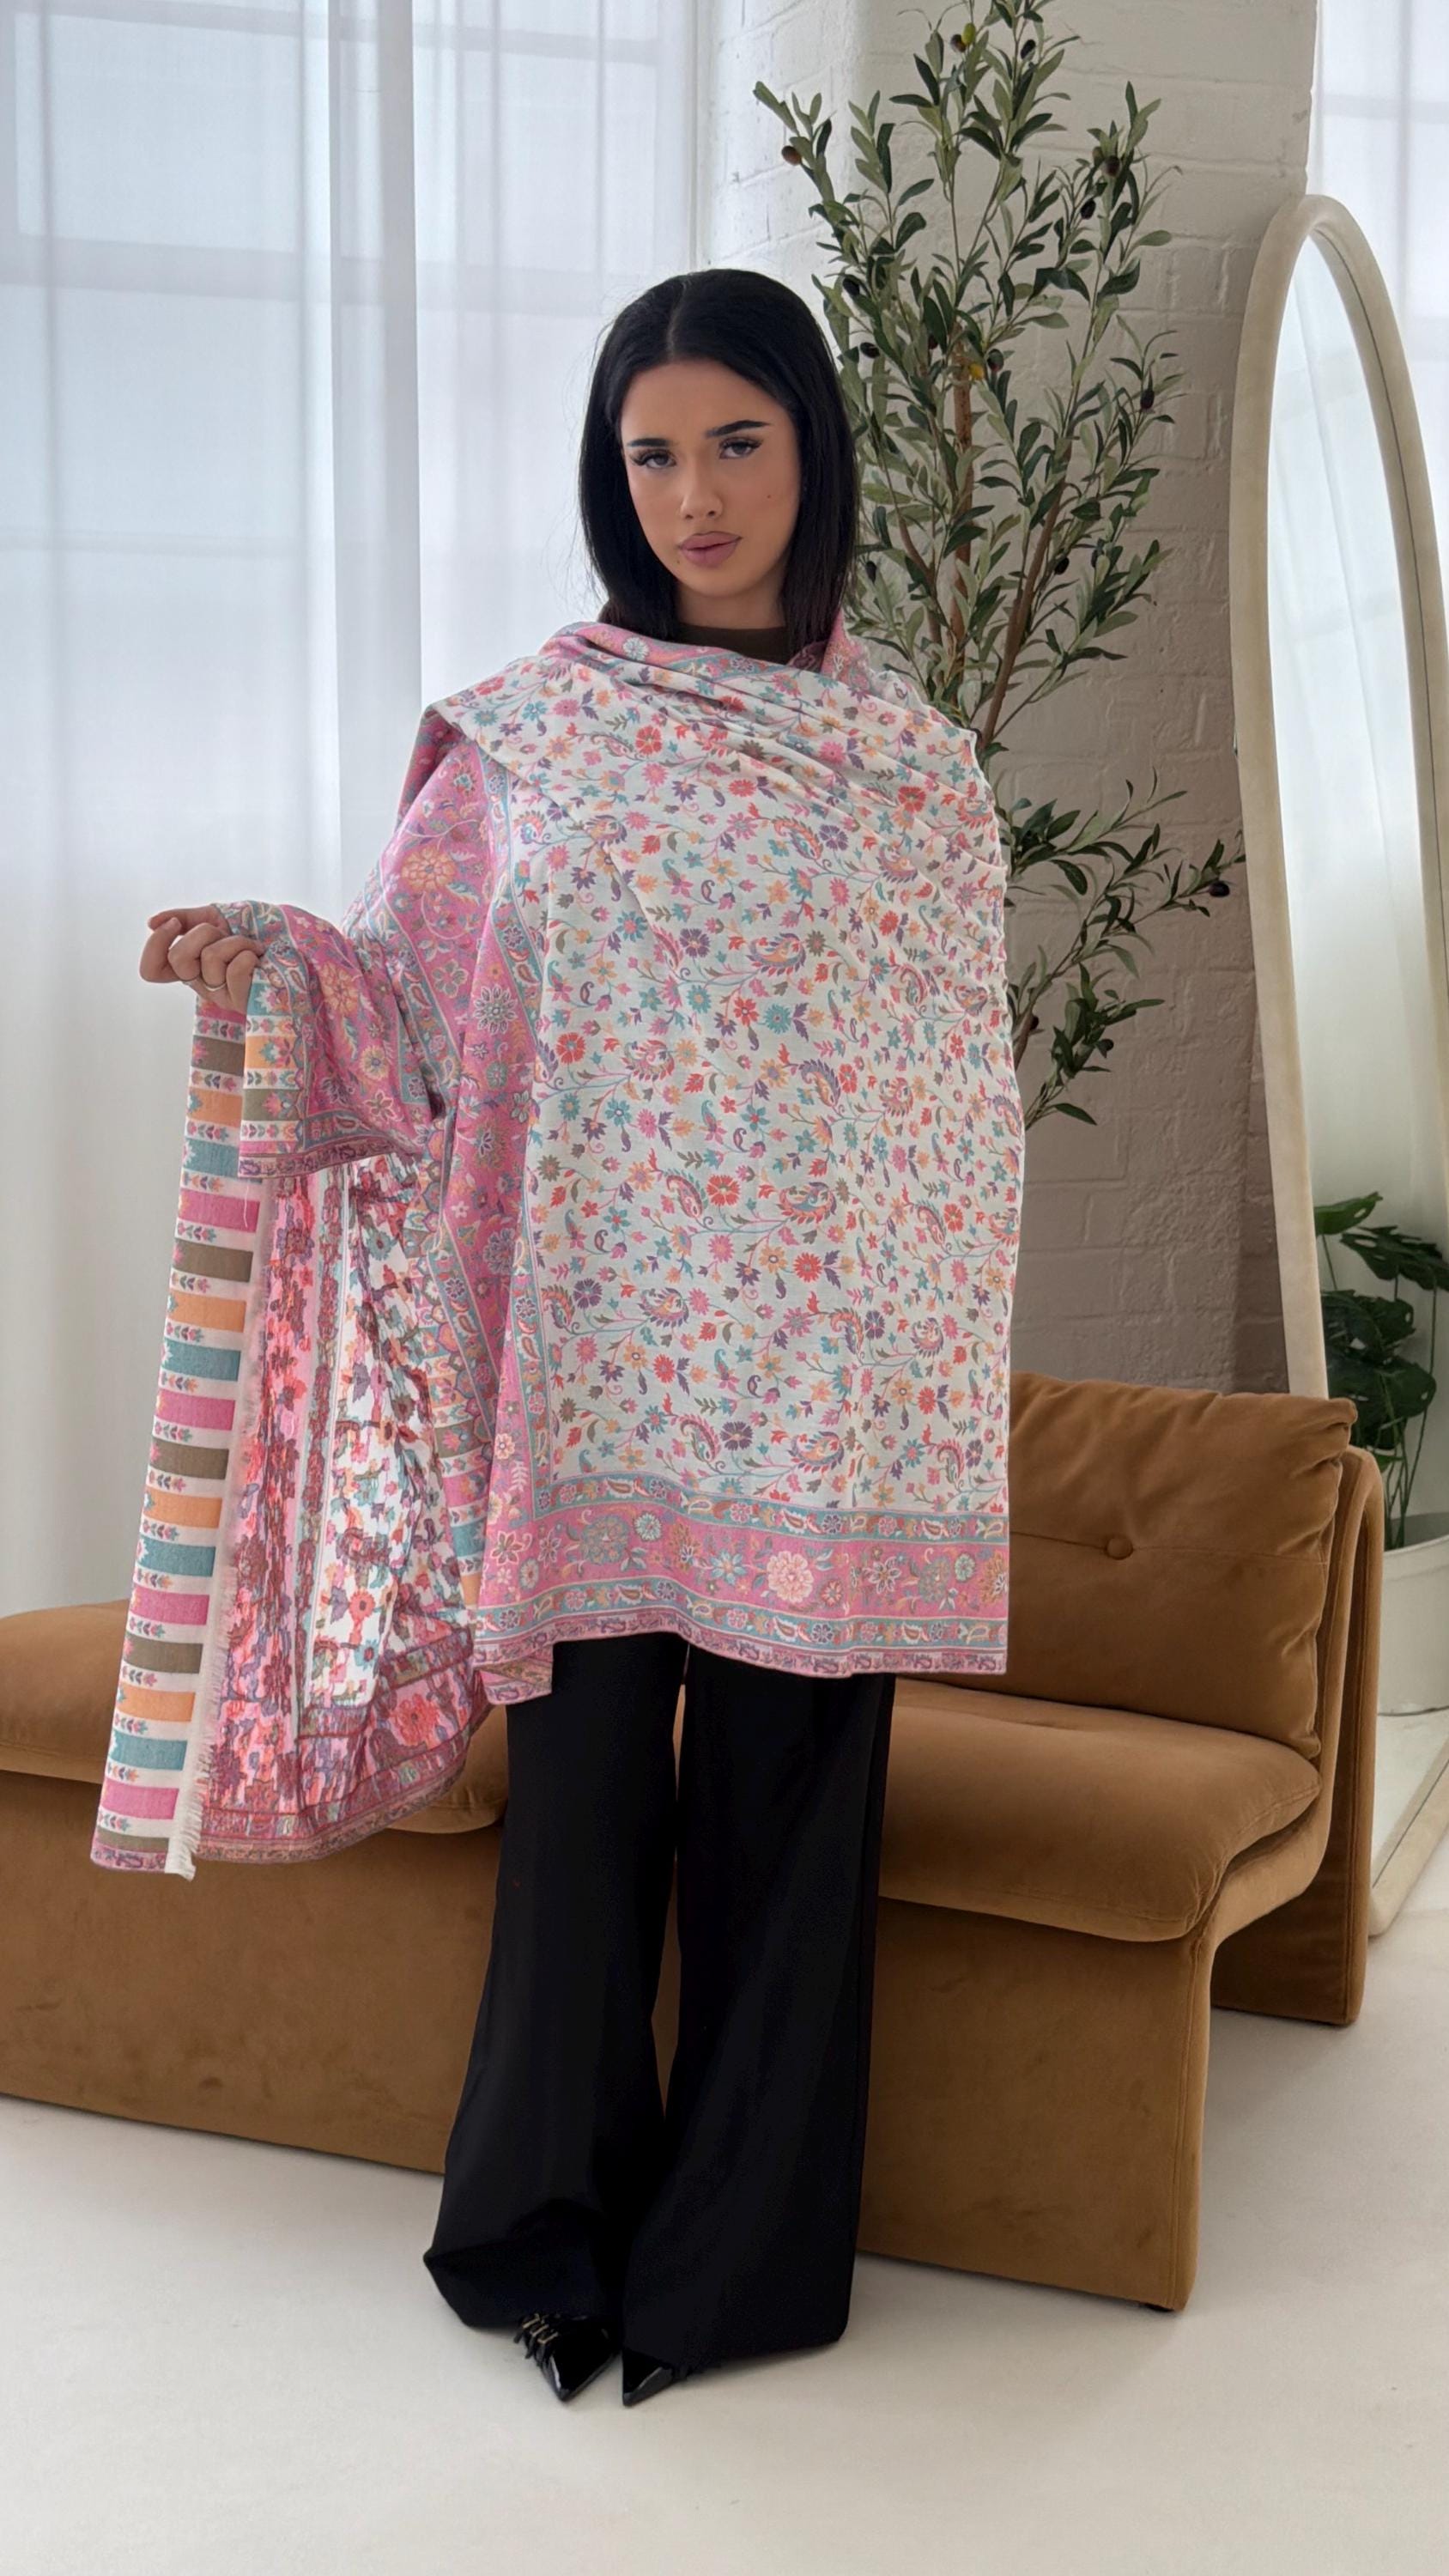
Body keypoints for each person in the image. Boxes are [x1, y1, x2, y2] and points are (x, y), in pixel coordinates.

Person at [135, 269, 1022, 2408]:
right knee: (584, 1820)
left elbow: (947, 1100)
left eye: (736, 443)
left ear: (811, 449)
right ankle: (539, 2240)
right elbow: (418, 996)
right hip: (599, 1371)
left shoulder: (909, 766)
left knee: (791, 1830)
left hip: (831, 1391)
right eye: (651, 454)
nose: (693, 494)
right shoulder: (539, 738)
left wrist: (915, 1358)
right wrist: (272, 963)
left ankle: (738, 2275)